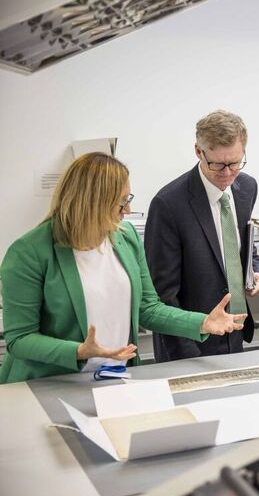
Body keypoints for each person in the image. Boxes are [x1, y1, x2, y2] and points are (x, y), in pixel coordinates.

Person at [0, 153, 245, 384]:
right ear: (91, 204)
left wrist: (202, 323)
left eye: (128, 199)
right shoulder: (29, 252)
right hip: (50, 381)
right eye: (120, 203)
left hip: (115, 376)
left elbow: (148, 309)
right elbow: (19, 339)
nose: (127, 211)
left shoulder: (126, 238)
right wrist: (78, 351)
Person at [145, 110, 259, 362]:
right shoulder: (168, 204)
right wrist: (186, 353)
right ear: (199, 151)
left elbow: (244, 249)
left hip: (235, 331)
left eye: (235, 162)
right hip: (190, 344)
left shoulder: (247, 188)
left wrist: (258, 271)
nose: (227, 173)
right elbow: (163, 294)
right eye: (218, 164)